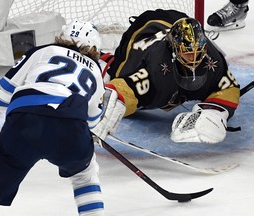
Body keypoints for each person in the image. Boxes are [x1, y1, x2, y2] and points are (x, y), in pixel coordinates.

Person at [0, 20, 125, 215]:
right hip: (70, 124)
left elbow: (0, 99)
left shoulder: (42, 51)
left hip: (24, 122)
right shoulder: (95, 70)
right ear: (94, 48)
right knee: (85, 173)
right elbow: (92, 122)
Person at [100, 9, 240, 144]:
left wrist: (214, 111)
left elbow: (229, 88)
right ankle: (99, 58)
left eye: (199, 51)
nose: (194, 58)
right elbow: (122, 89)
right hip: (144, 28)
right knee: (116, 73)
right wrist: (101, 108)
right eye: (188, 53)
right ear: (174, 50)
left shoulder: (213, 60)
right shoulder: (154, 69)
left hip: (175, 19)